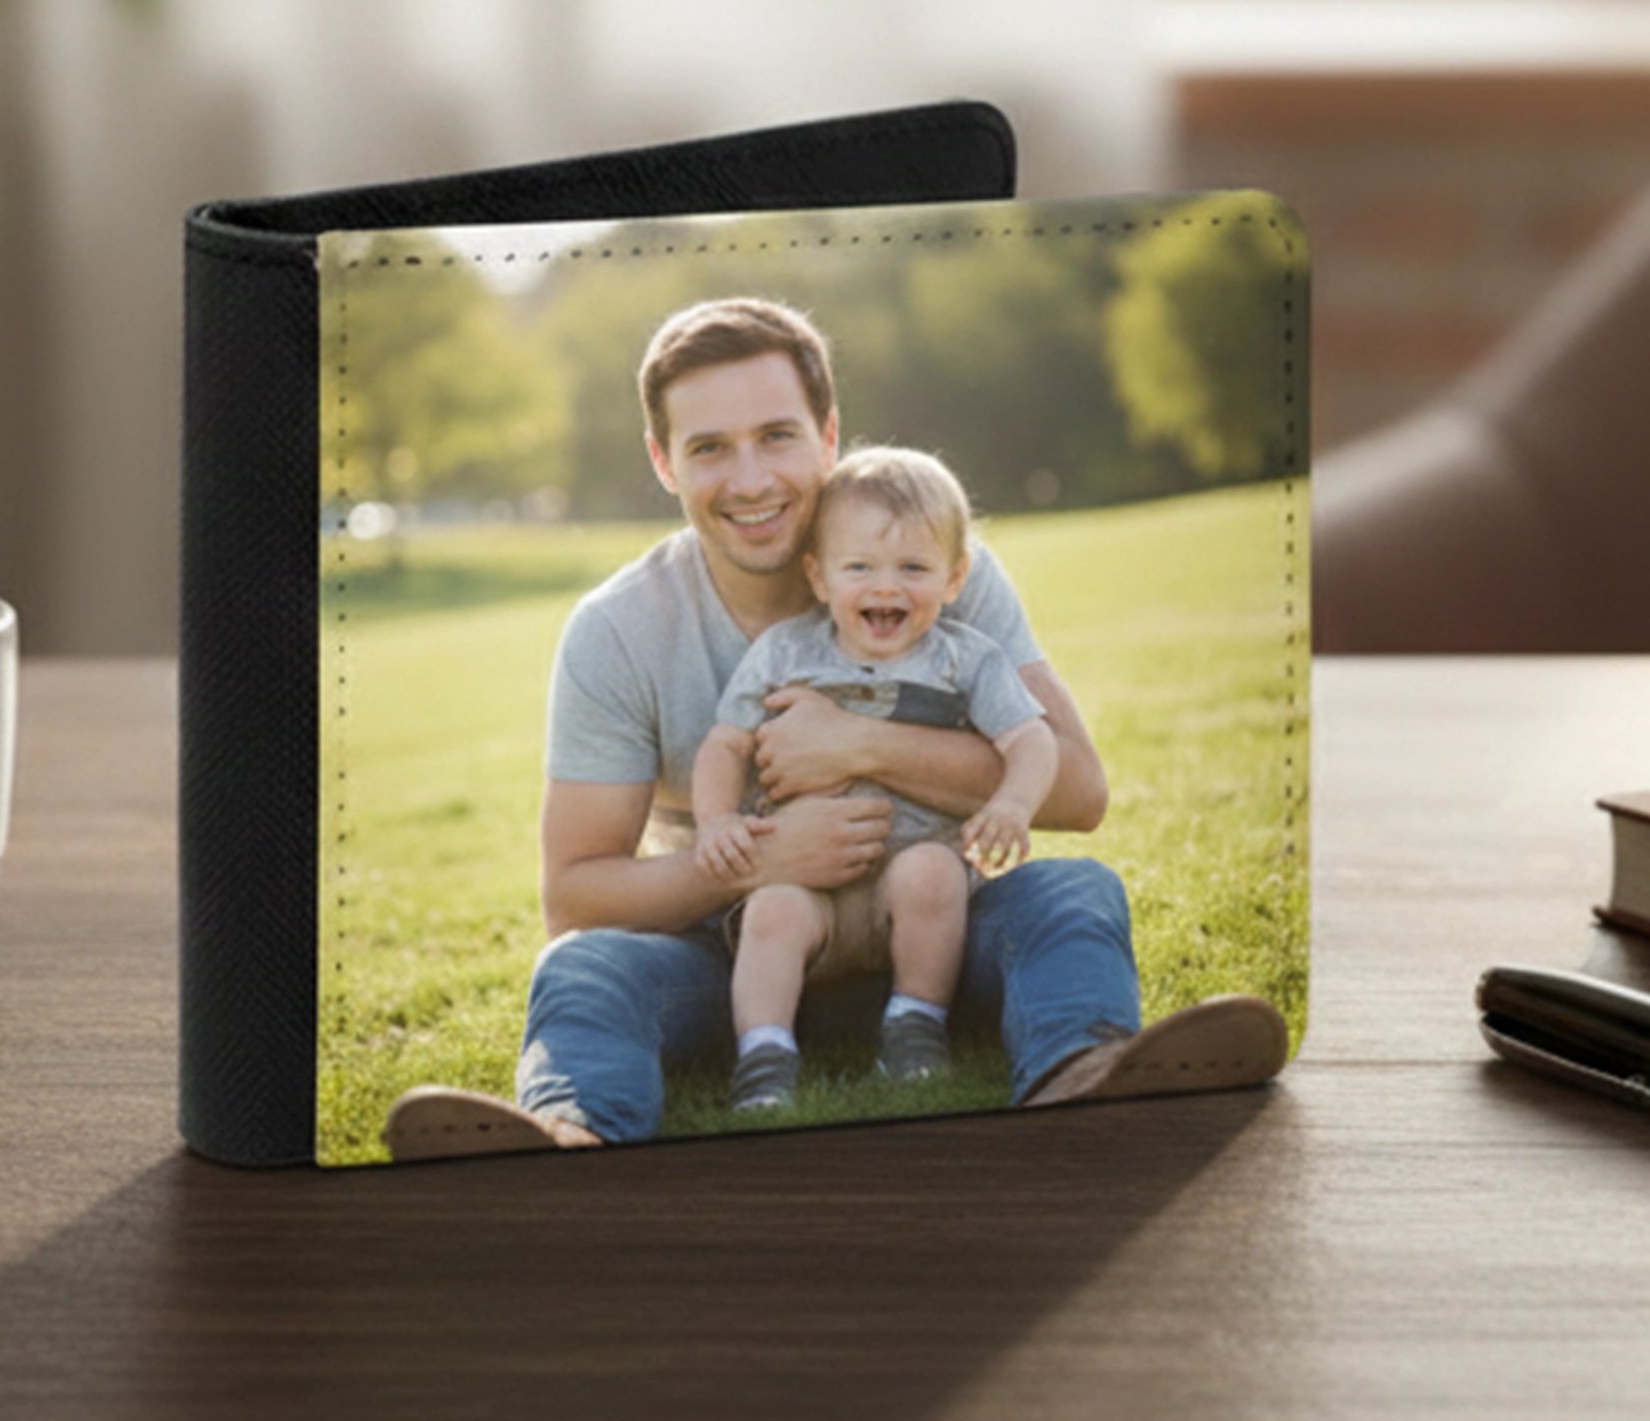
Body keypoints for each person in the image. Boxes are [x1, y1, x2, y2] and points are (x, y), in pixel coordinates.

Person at [383, 296, 1284, 1161]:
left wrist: (860, 744)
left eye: (775, 435)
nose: (749, 479)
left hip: (923, 936)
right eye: (709, 448)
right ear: (663, 461)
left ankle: (1083, 1075)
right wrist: (764, 860)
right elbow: (574, 899)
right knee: (582, 970)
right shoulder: (619, 629)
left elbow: (1079, 789)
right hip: (739, 963)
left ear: (827, 433)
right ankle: (573, 1133)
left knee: (1074, 894)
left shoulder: (932, 565)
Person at [693, 445, 1058, 1111]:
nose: (885, 587)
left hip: (907, 887)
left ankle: (914, 1023)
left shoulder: (963, 658)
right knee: (770, 911)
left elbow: (1031, 737)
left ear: (953, 578)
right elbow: (725, 742)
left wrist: (1012, 801)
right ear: (819, 576)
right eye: (859, 566)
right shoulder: (784, 651)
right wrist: (716, 820)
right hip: (807, 887)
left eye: (912, 567)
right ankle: (764, 1055)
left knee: (932, 872)